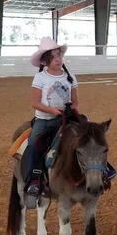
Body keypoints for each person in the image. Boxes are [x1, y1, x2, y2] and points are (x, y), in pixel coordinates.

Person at [24, 37, 78, 197]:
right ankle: (34, 177)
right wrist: (51, 110)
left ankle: (100, 170)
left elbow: (75, 102)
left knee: (88, 133)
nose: (58, 59)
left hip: (66, 118)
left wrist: (72, 109)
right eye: (53, 57)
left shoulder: (71, 77)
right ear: (46, 61)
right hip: (44, 119)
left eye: (59, 55)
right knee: (34, 142)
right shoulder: (40, 78)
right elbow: (35, 103)